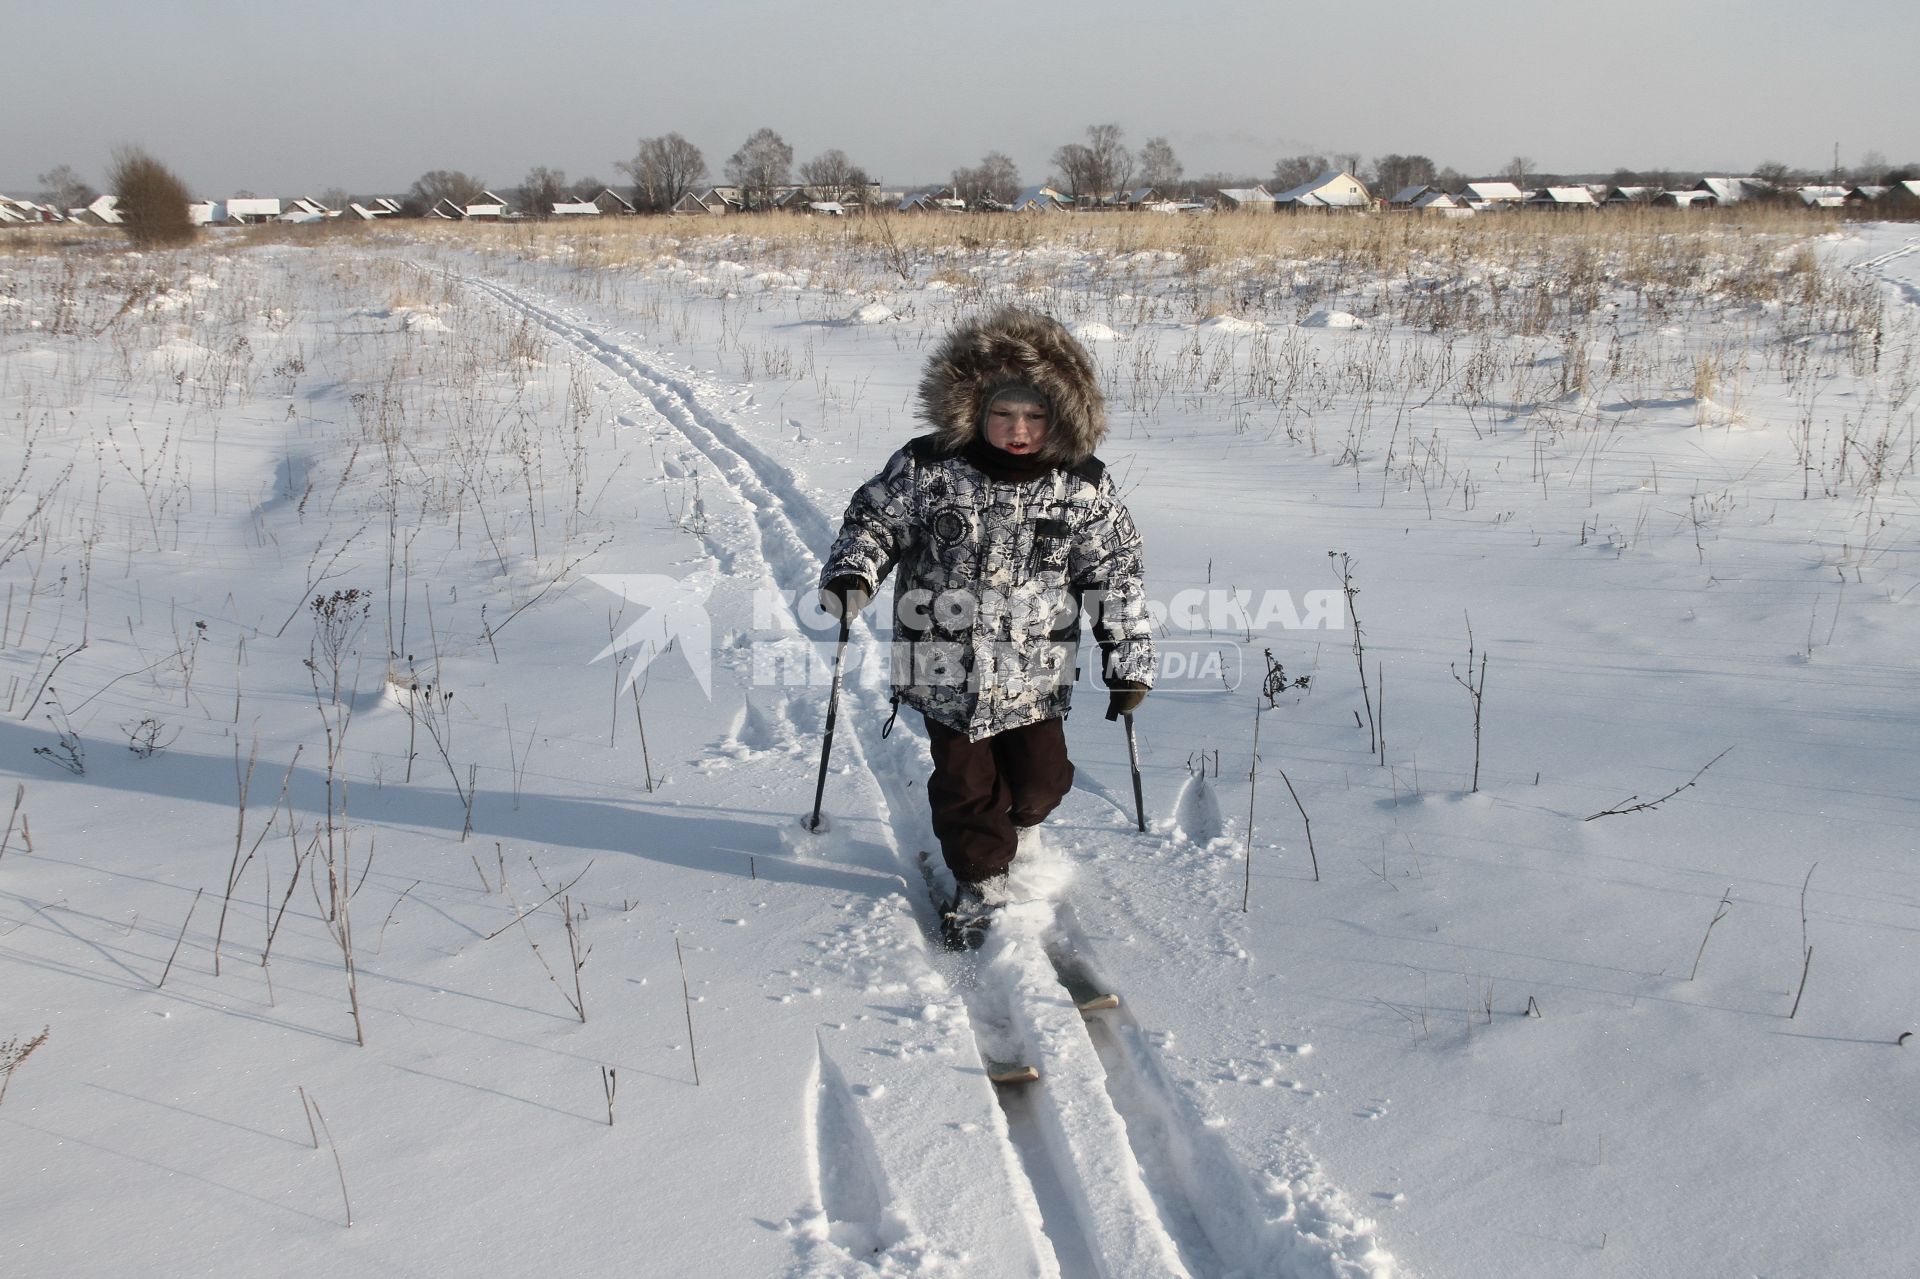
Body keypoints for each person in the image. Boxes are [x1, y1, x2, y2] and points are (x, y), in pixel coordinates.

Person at [818, 307, 1154, 948]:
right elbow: (874, 522)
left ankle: (1024, 828)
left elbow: (1115, 573)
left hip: (1035, 674)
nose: (1018, 430)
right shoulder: (928, 467)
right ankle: (980, 879)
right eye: (1003, 414)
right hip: (943, 670)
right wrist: (854, 573)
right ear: (972, 410)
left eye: (1034, 416)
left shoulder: (1080, 486)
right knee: (967, 789)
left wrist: (1127, 659)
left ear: (1061, 417)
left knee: (1043, 780)